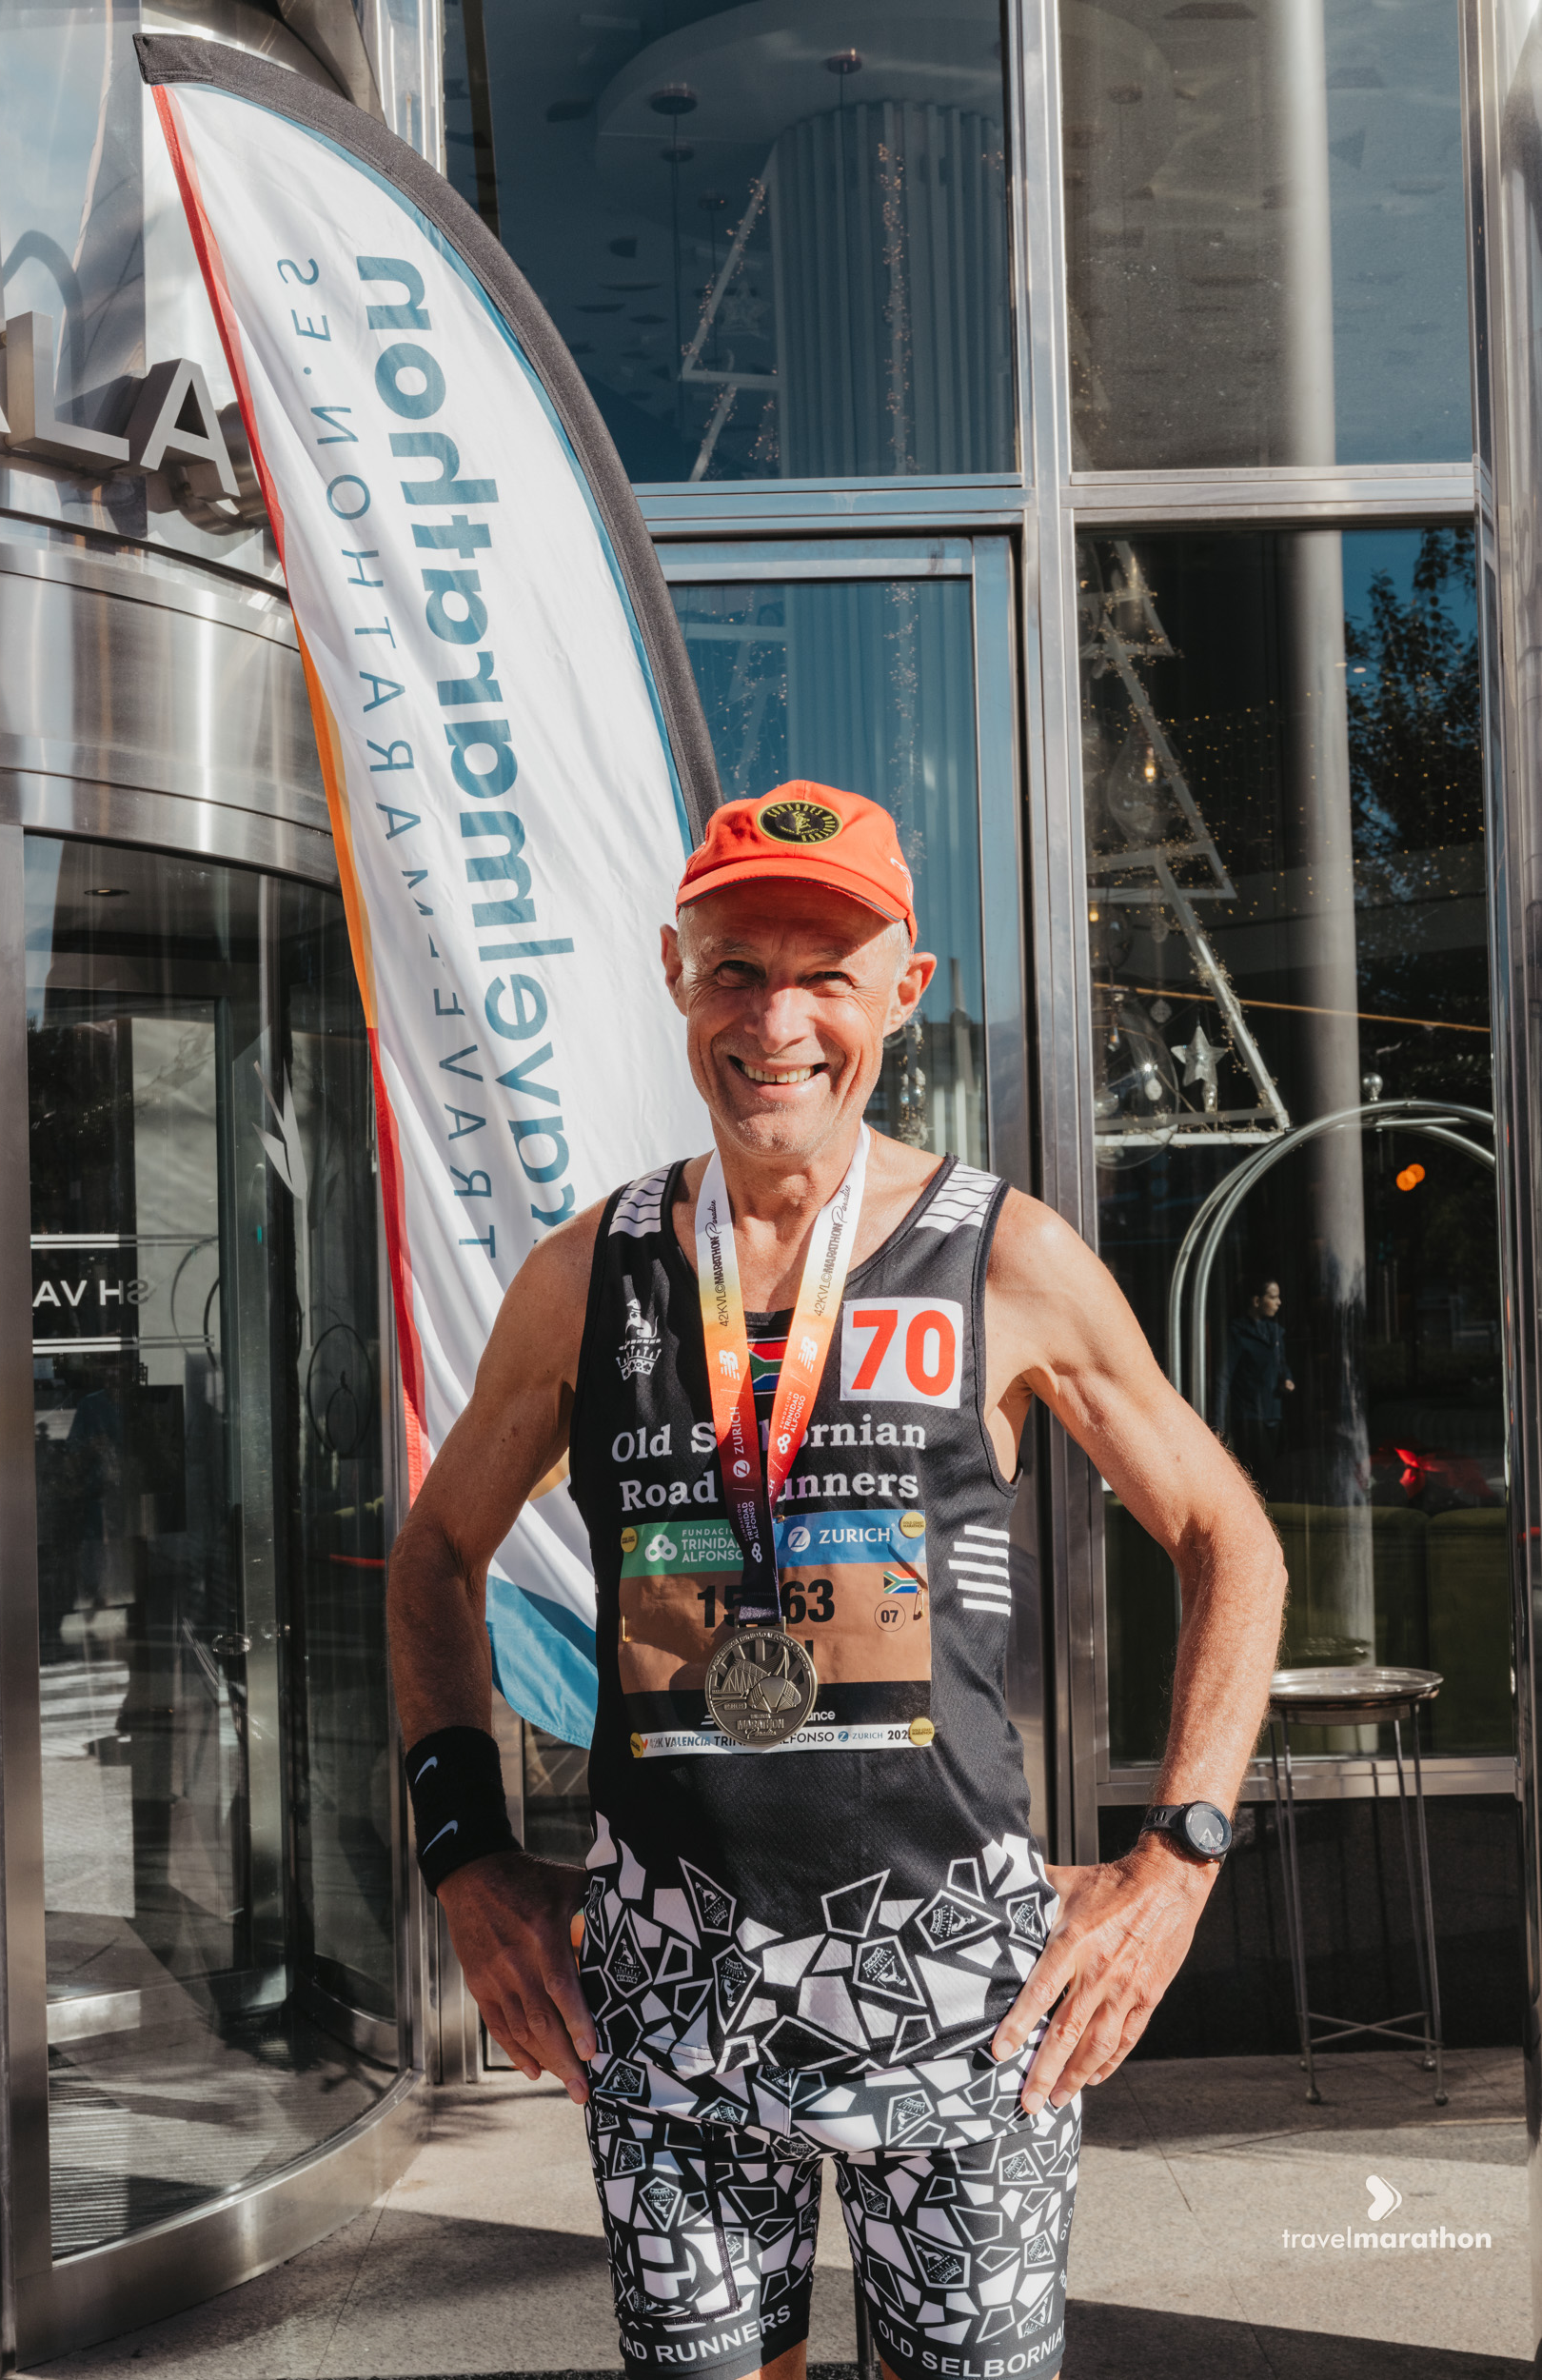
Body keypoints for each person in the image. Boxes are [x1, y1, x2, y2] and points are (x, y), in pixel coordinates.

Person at [387, 782, 1287, 2380]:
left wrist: (1175, 1865)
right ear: (673, 972)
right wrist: (464, 1856)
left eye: (826, 975)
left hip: (960, 2006)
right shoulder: (588, 1274)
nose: (776, 1021)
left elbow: (1231, 1539)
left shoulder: (1002, 1255)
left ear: (904, 992)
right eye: (735, 969)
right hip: (663, 2002)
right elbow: (436, 1551)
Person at [1219, 1278, 1295, 1495]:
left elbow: (1281, 1364)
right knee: (1257, 1473)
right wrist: (1217, 1421)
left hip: (1273, 1411)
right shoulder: (1238, 1332)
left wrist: (1287, 1378)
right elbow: (1224, 1376)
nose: (1279, 1302)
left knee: (1271, 1472)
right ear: (1256, 1301)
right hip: (1249, 1413)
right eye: (1273, 1297)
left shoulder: (1275, 1332)